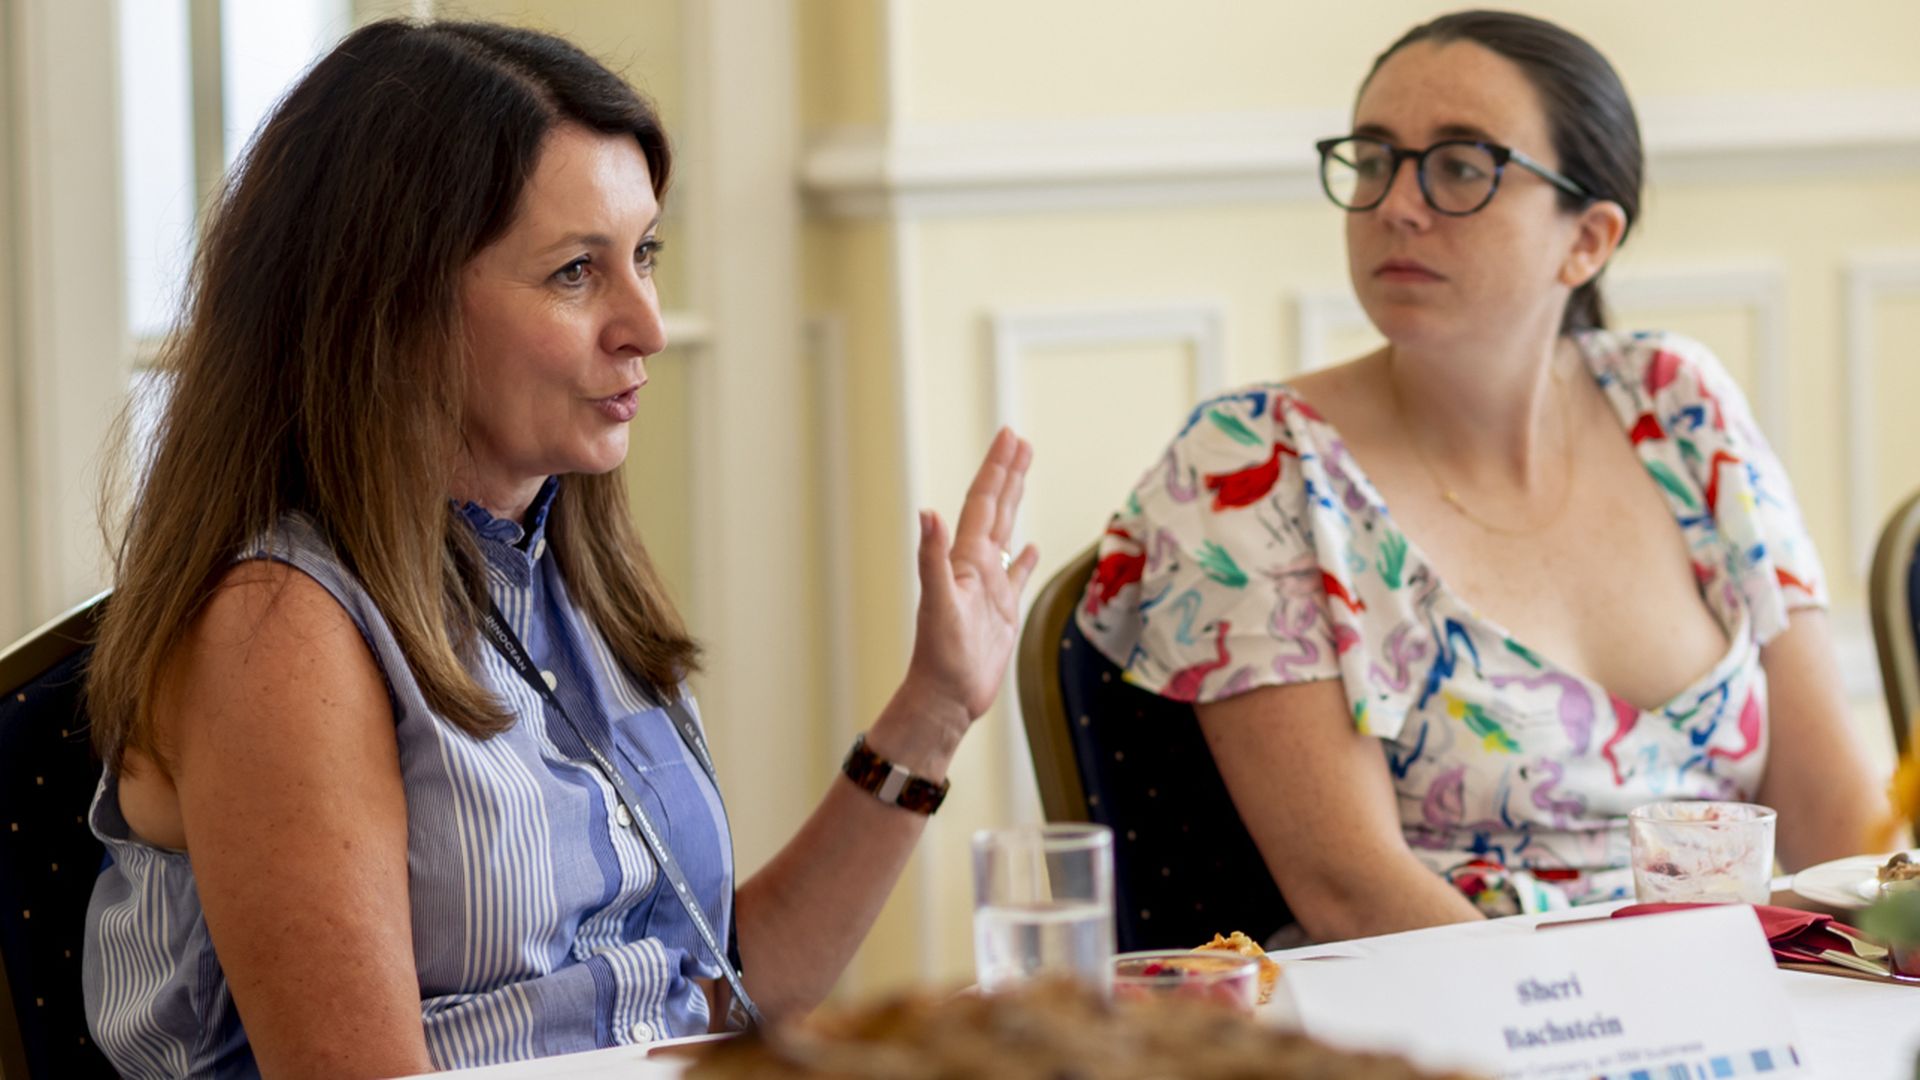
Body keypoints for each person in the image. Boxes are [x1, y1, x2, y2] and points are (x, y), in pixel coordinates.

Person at [81, 19, 1039, 1079]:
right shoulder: (279, 626)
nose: (647, 324)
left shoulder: (558, 567)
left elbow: (716, 992)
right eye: (578, 272)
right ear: (390, 305)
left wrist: (935, 711)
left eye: (646, 255)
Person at [1078, 10, 1884, 942]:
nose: (1395, 203)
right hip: (1449, 1024)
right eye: (1374, 158)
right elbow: (1350, 890)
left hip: (1741, 1007)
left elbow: (1837, 820)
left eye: (1461, 166)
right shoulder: (1253, 461)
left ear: (1587, 239)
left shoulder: (1677, 400)